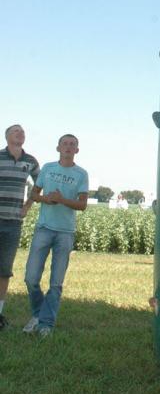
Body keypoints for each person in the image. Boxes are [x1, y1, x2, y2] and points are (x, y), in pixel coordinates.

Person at [23, 134, 88, 338]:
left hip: (65, 233)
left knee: (56, 282)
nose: (68, 147)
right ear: (58, 148)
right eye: (65, 144)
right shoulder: (48, 168)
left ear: (77, 150)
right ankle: (38, 314)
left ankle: (46, 325)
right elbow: (34, 194)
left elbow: (83, 204)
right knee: (31, 278)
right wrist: (46, 199)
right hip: (44, 228)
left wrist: (62, 200)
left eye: (72, 145)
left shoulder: (81, 174)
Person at [0, 124, 40, 330]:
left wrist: (27, 206)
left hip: (13, 222)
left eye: (23, 131)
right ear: (7, 137)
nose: (21, 133)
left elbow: (40, 184)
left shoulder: (30, 161)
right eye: (16, 130)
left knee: (4, 270)